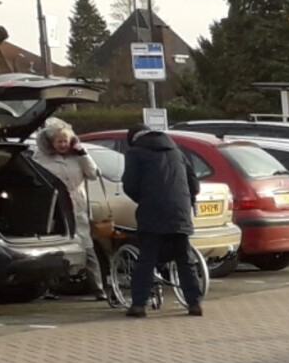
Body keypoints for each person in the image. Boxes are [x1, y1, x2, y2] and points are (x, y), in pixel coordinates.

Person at [118, 122, 203, 318]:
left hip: (152, 212)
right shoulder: (176, 151)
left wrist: (145, 199)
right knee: (185, 259)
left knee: (147, 259)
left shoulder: (135, 153)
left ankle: (139, 305)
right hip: (180, 212)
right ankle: (195, 303)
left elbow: (129, 185)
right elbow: (194, 184)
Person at [29, 117, 108, 304]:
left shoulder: (77, 156)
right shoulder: (40, 158)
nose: (63, 145)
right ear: (51, 142)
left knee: (88, 248)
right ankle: (49, 286)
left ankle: (98, 288)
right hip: (55, 207)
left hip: (78, 206)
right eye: (59, 141)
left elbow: (93, 173)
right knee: (54, 248)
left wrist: (83, 152)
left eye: (66, 141)